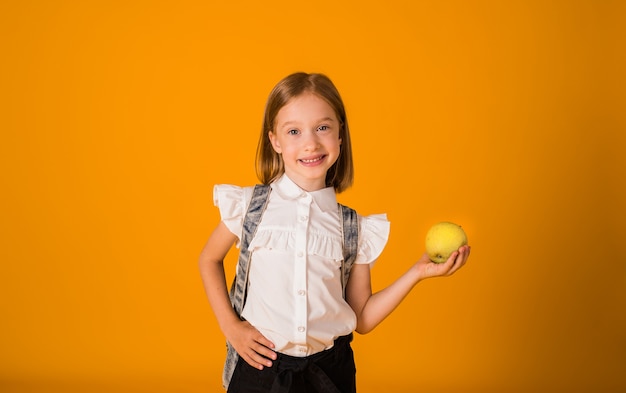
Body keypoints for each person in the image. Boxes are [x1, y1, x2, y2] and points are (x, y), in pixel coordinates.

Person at [198, 72, 470, 393]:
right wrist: (231, 327)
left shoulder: (353, 228)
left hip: (328, 373)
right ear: (275, 141)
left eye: (323, 128)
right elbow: (209, 259)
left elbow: (362, 317)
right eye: (294, 131)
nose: (310, 143)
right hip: (262, 368)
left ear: (340, 135)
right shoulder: (248, 206)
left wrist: (418, 271)